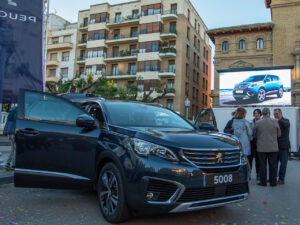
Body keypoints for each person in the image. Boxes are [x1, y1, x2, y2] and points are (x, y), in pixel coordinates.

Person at [253, 108, 281, 187]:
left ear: (262, 113)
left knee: (262, 166)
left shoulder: (258, 123)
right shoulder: (275, 122)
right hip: (273, 147)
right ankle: (273, 182)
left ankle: (263, 182)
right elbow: (279, 134)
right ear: (269, 113)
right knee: (273, 166)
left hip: (261, 147)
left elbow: (254, 134)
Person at [274, 108, 290, 184]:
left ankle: (281, 179)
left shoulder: (285, 121)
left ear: (280, 114)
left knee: (283, 164)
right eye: (274, 114)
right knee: (274, 164)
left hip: (284, 146)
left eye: (276, 114)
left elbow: (286, 124)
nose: (275, 115)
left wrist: (278, 120)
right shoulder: (274, 122)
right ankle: (273, 177)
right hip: (275, 146)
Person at [3, 106, 17, 170]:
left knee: (12, 149)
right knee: (15, 149)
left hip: (9, 132)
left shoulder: (12, 110)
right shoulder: (17, 111)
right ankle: (13, 165)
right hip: (14, 132)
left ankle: (7, 163)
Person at [249, 109, 262, 180]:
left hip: (259, 142)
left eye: (257, 113)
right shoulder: (251, 122)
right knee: (250, 159)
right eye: (255, 113)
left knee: (258, 159)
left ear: (260, 114)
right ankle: (249, 173)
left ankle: (258, 174)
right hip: (252, 142)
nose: (256, 115)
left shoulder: (262, 122)